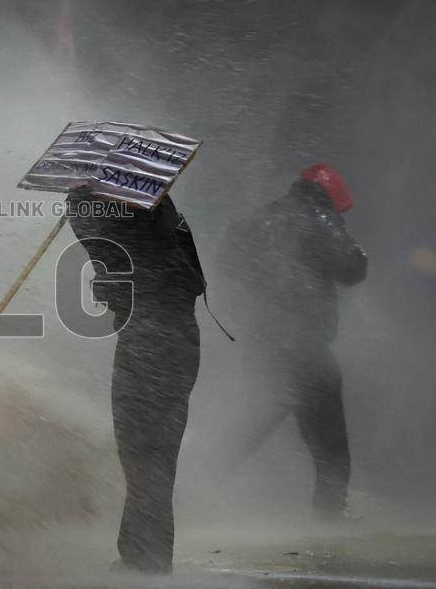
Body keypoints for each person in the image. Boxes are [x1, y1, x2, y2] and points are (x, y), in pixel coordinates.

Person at [67, 186, 206, 574]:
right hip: (163, 340)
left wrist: (117, 282)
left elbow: (175, 281)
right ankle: (142, 552)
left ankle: (148, 557)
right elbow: (187, 282)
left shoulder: (133, 223)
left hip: (155, 343)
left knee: (146, 451)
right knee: (145, 452)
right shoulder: (157, 217)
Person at [216, 162, 367, 520]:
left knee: (254, 421)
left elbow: (226, 258)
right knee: (330, 436)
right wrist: (357, 252)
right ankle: (330, 512)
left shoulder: (263, 218)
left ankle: (197, 484)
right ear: (331, 194)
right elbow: (352, 268)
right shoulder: (320, 217)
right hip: (305, 346)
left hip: (265, 341)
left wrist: (261, 279)